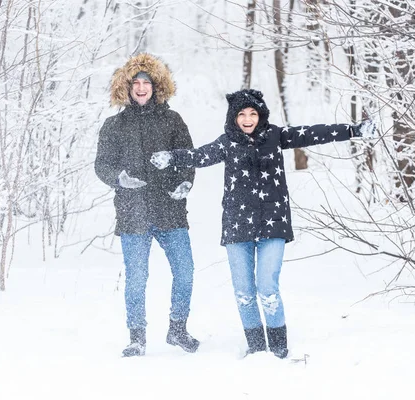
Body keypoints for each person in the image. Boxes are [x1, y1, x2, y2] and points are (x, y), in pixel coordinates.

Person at [150, 89, 376, 358]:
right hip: (237, 225)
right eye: (242, 114)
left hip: (273, 223)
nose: (247, 119)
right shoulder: (227, 143)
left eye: (253, 113)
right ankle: (257, 350)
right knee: (244, 292)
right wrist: (172, 157)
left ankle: (278, 349)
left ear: (261, 115)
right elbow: (200, 155)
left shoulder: (275, 136)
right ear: (234, 118)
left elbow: (314, 133)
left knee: (267, 288)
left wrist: (354, 130)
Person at [94, 53, 199, 357]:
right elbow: (102, 165)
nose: (141, 88)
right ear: (126, 87)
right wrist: (119, 178)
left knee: (186, 271)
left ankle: (177, 329)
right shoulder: (114, 125)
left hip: (170, 210)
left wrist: (184, 183)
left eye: (147, 83)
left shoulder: (173, 120)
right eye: (136, 82)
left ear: (156, 86)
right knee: (137, 278)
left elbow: (187, 158)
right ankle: (136, 337)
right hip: (133, 213)